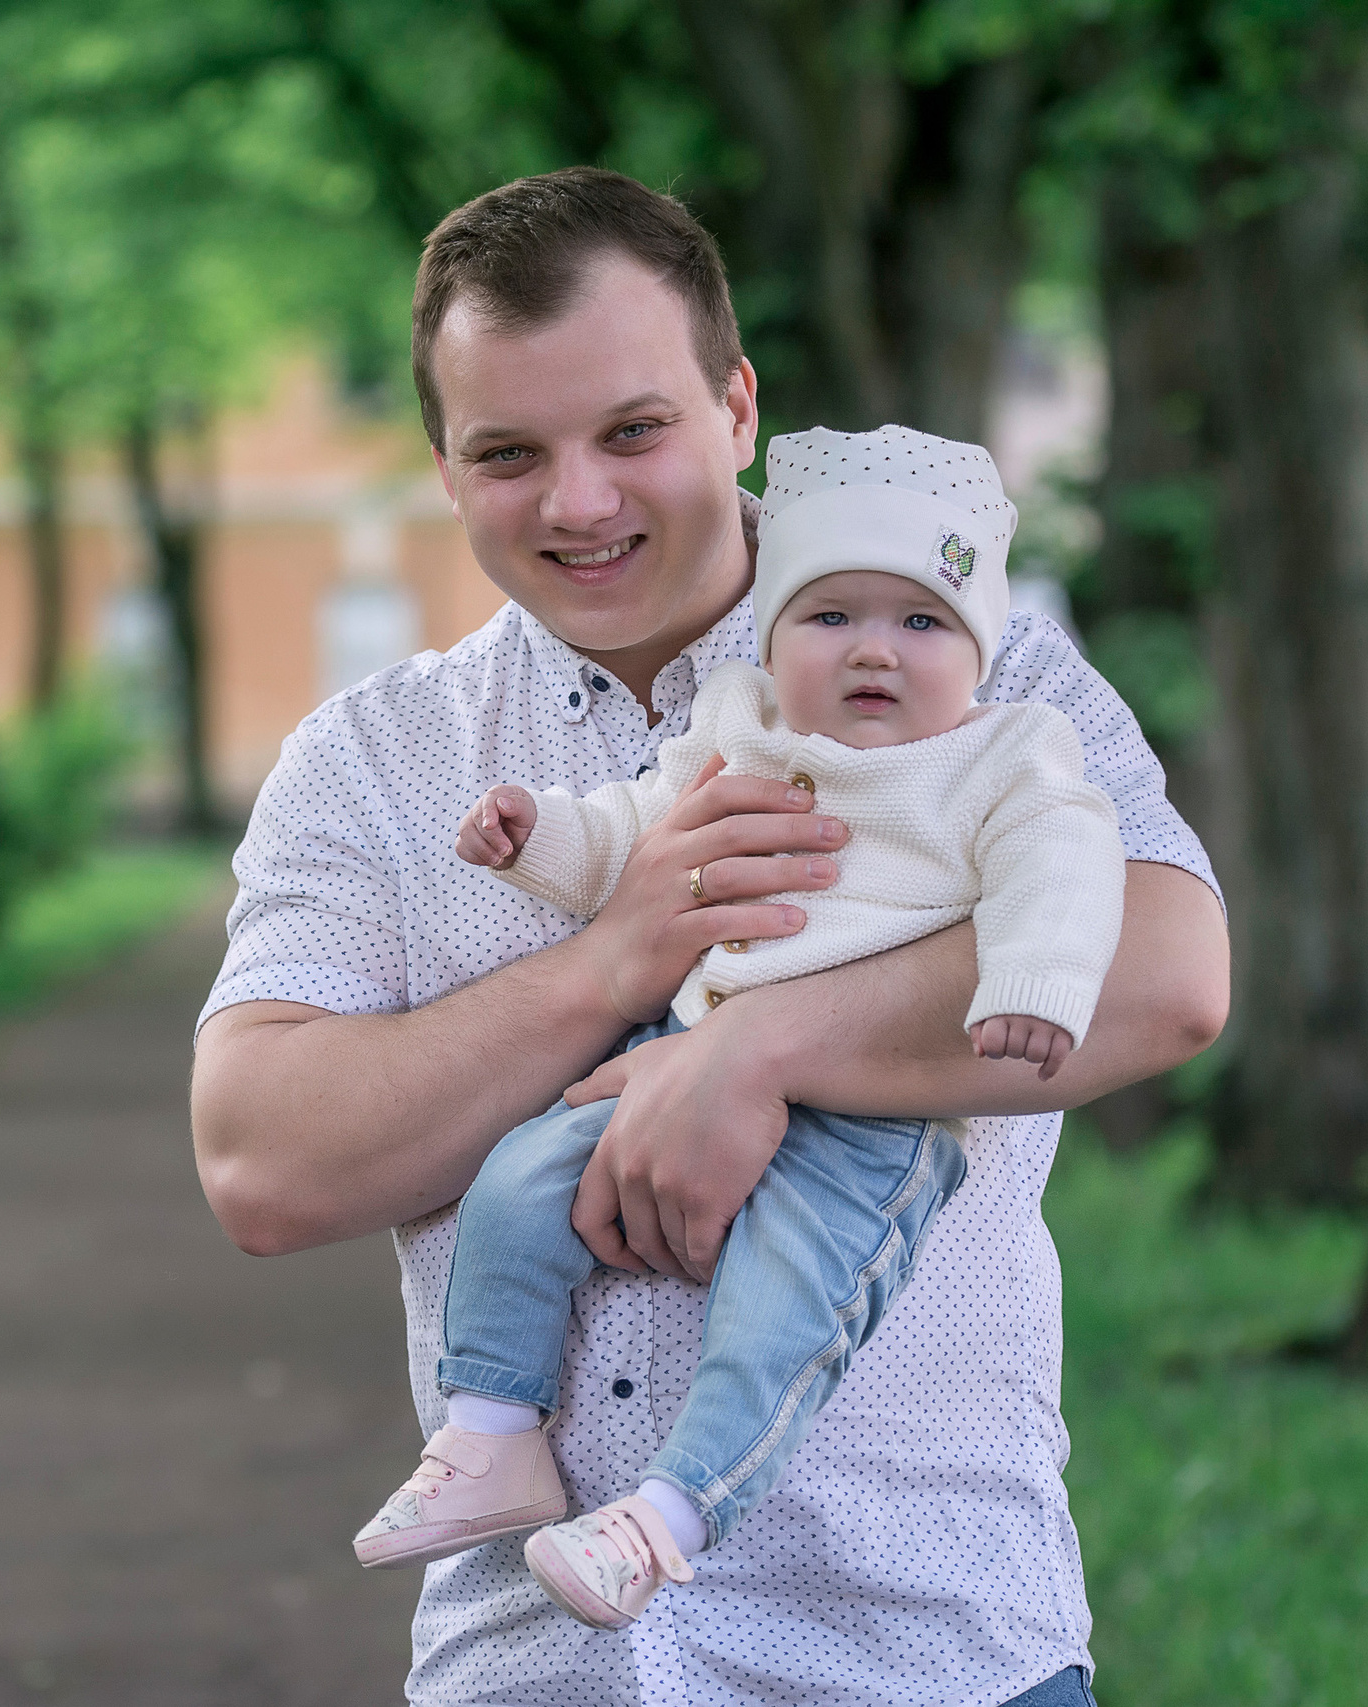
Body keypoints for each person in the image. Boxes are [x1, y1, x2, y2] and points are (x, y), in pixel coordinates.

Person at [191, 167, 1229, 1706]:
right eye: (508, 453)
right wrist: (610, 962)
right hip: (528, 1669)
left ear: (738, 408)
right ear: (444, 467)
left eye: (632, 431)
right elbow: (264, 1159)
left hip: (930, 1648)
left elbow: (1166, 974)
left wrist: (753, 1046)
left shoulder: (972, 663)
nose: (580, 502)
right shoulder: (373, 760)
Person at [353, 424, 1128, 1638]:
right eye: (830, 618)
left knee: (779, 1314)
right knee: (519, 1182)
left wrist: (1030, 978)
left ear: (975, 647)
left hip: (866, 1121)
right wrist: (539, 836)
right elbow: (632, 828)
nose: (874, 647)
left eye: (921, 622)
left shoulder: (1001, 753)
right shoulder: (743, 725)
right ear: (774, 639)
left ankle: (665, 1518)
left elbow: (1064, 861)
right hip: (668, 1049)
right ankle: (493, 1431)